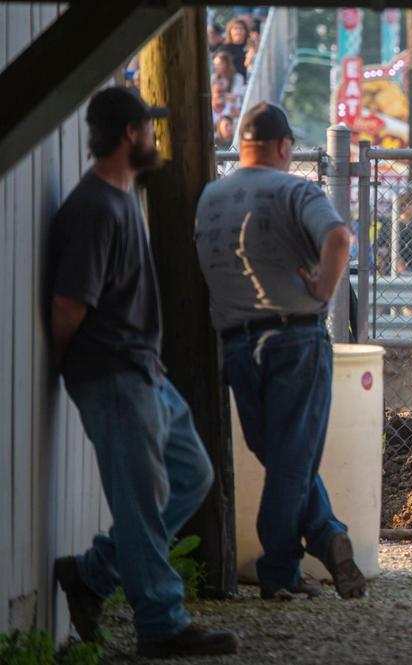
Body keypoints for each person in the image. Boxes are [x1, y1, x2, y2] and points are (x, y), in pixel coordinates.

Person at [49, 86, 239, 657]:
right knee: (139, 498)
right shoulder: (93, 209)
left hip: (142, 372)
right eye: (149, 129)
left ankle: (92, 572)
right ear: (130, 133)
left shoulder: (121, 198)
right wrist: (76, 365)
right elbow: (67, 307)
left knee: (191, 477)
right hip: (112, 374)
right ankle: (162, 622)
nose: (156, 138)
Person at [194, 103, 368, 601]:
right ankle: (282, 570)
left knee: (274, 453)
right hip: (295, 336)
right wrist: (321, 291)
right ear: (285, 146)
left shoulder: (211, 196)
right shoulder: (294, 189)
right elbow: (338, 236)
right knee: (292, 460)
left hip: (235, 342)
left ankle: (327, 534)